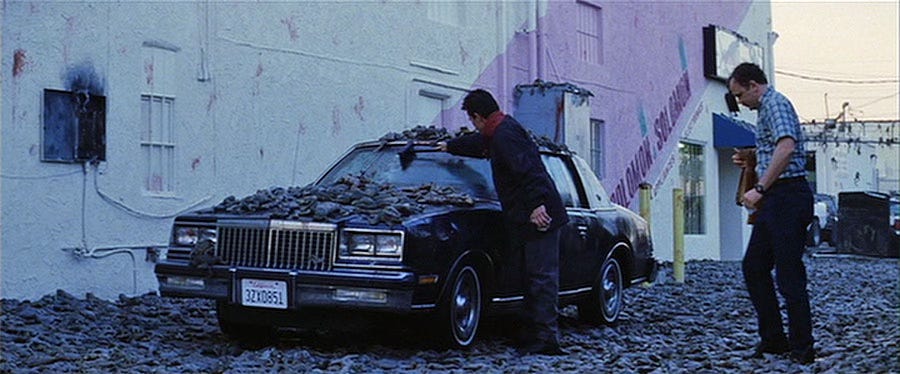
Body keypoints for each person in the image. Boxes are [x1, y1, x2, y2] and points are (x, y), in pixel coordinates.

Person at [438, 89, 568, 355]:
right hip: (527, 216)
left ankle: (546, 340)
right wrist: (449, 146)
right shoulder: (499, 131)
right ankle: (533, 334)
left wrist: (537, 205)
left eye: (473, 120)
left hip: (539, 215)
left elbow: (529, 170)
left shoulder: (505, 136)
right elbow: (478, 144)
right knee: (530, 276)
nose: (473, 125)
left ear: (478, 116)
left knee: (541, 278)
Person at [728, 62, 815, 364]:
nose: (740, 101)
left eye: (740, 95)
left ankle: (802, 348)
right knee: (754, 266)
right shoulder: (765, 110)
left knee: (789, 274)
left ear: (754, 85)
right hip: (778, 199)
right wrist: (752, 160)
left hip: (787, 197)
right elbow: (776, 150)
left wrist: (760, 187)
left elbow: (787, 147)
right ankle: (774, 340)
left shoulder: (775, 104)